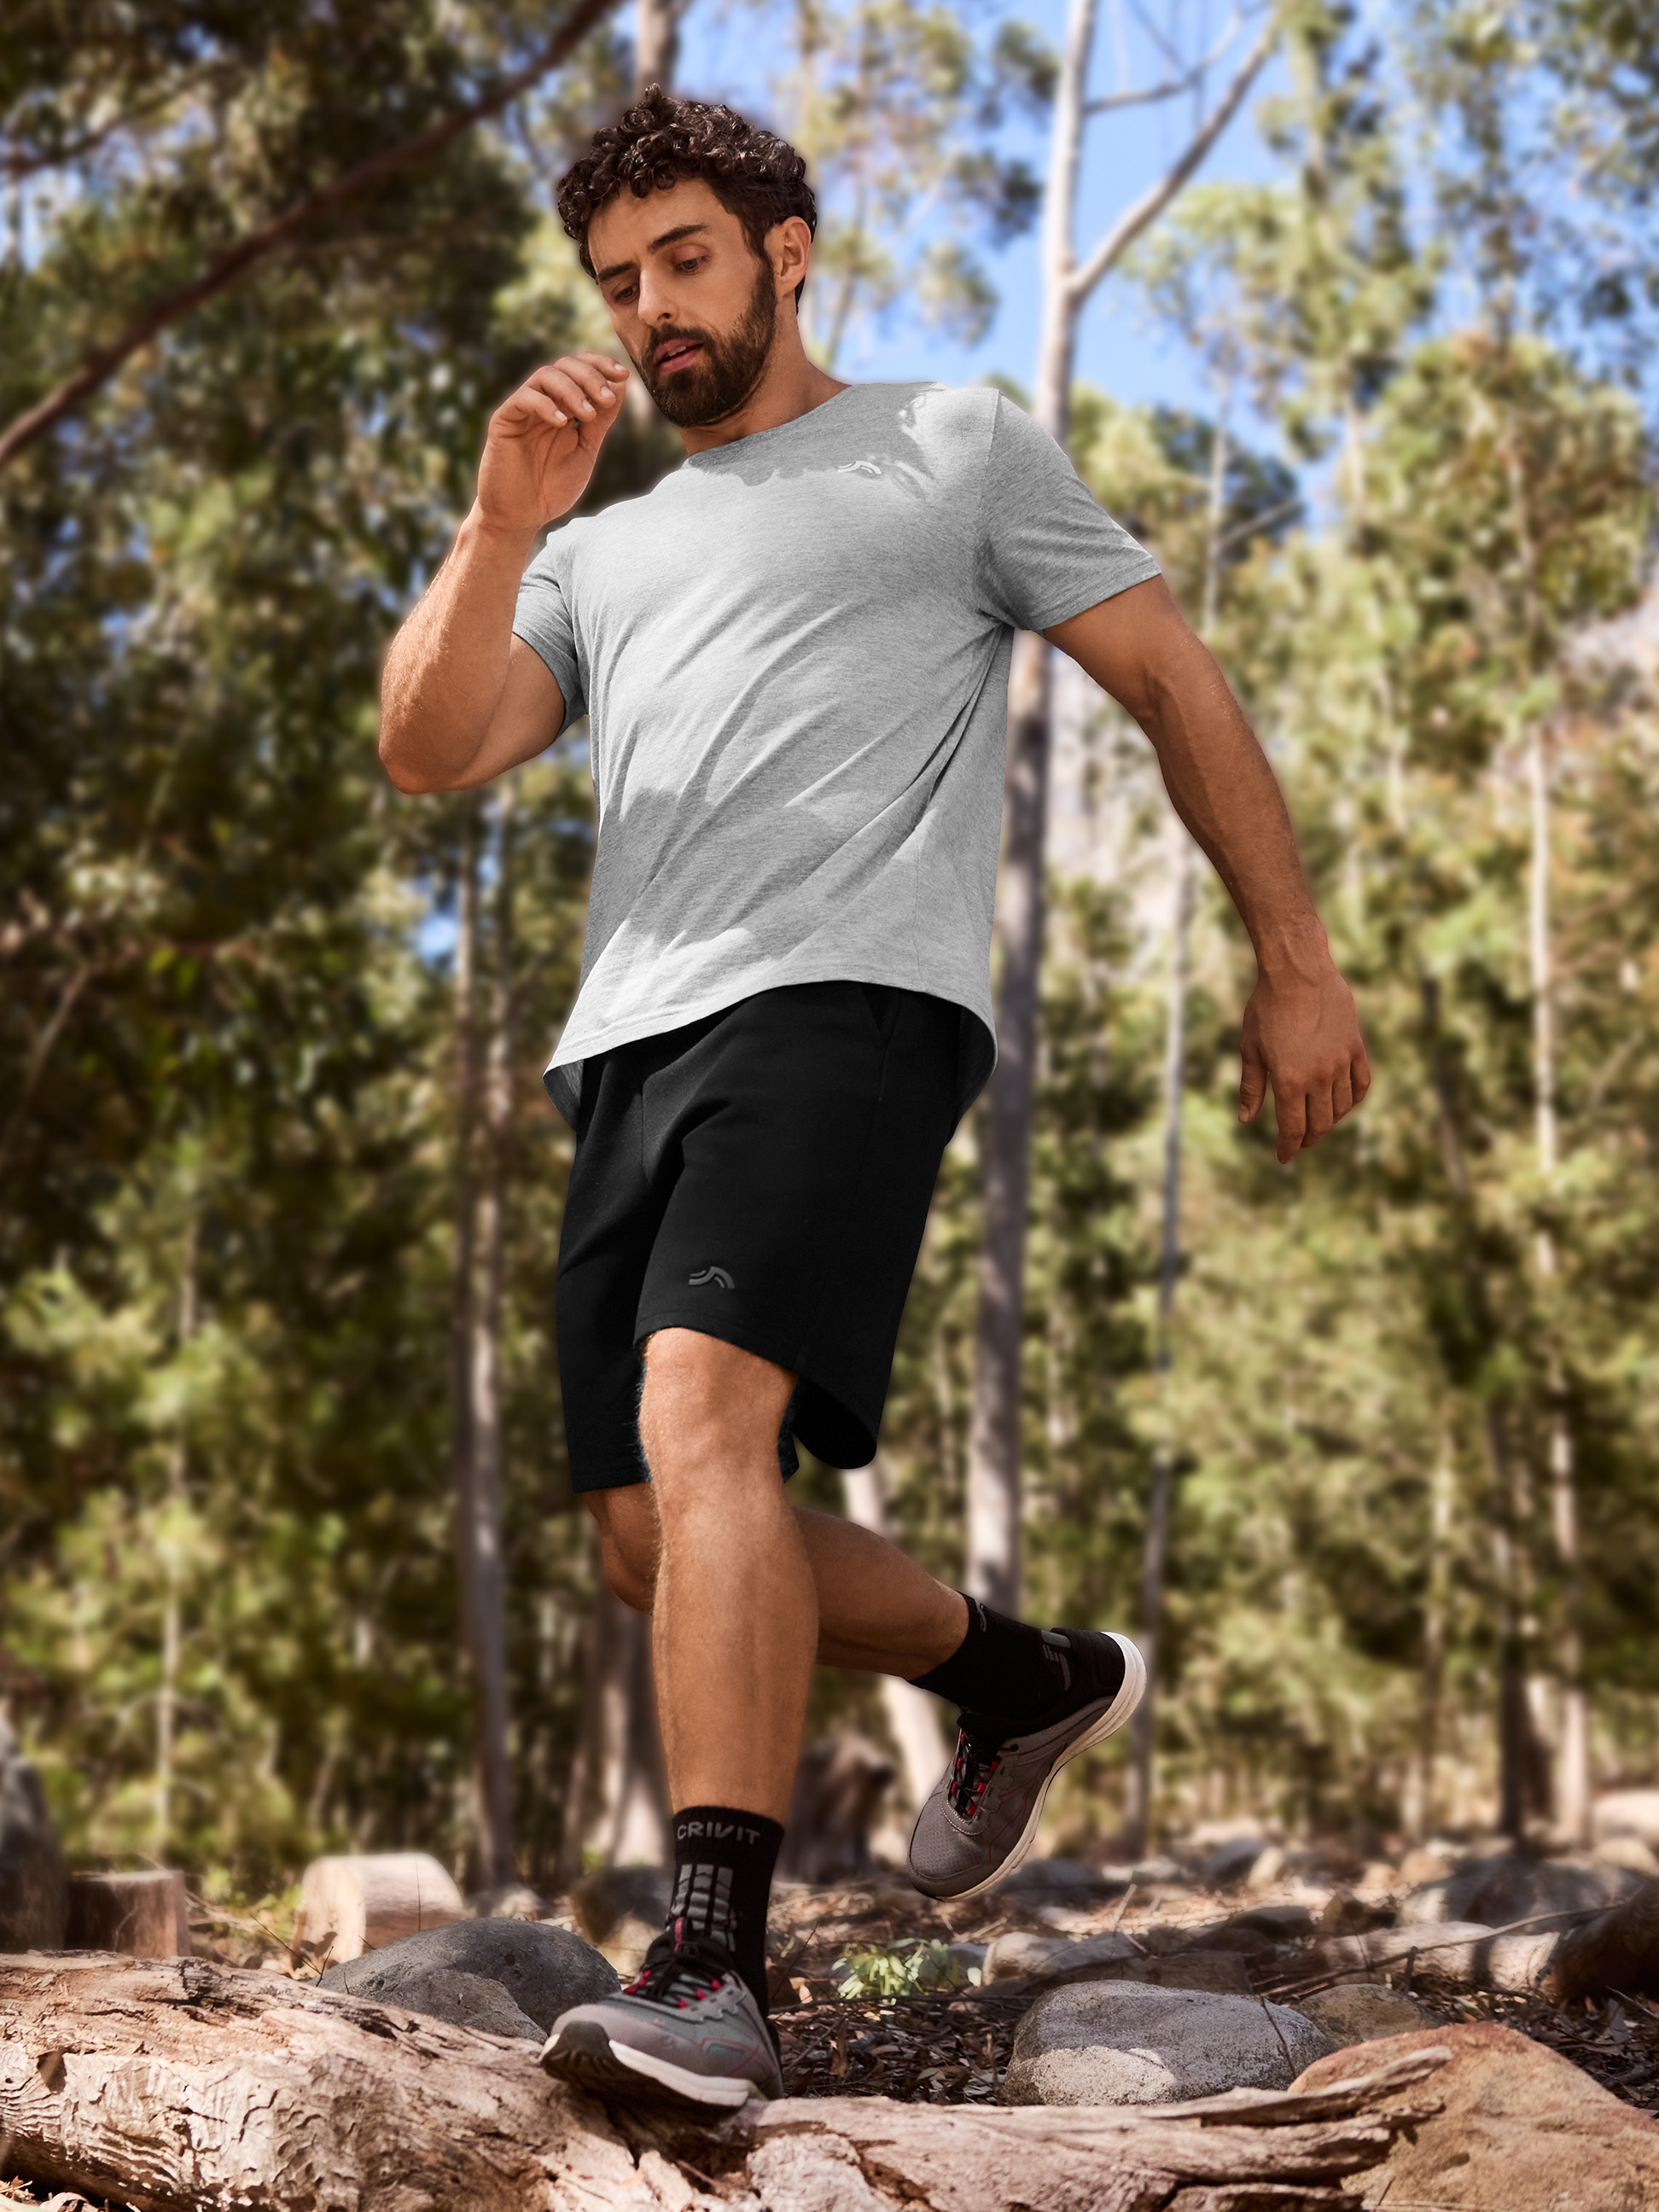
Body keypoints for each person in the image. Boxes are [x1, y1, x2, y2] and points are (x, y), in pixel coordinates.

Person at [378, 88, 1370, 2113]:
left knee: (703, 1415)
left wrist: (1293, 960)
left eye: (685, 261)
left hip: (845, 998)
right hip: (629, 1040)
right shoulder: (604, 546)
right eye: (617, 280)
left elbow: (1174, 684)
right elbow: (431, 746)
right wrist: (501, 525)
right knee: (656, 1539)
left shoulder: (950, 447)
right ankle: (1017, 1676)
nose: (651, 310)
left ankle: (721, 1974)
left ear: (785, 250)